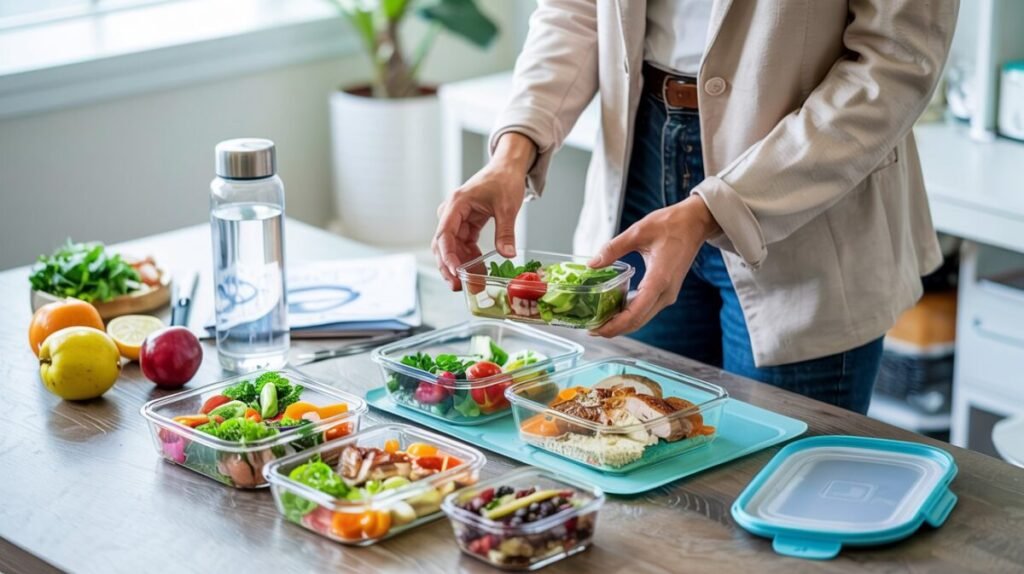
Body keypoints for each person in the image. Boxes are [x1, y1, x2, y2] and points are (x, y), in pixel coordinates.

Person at [432, 0, 959, 414]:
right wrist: (513, 151)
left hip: (802, 197)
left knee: (782, 496)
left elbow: (893, 64)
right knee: (635, 449)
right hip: (639, 169)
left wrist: (716, 208)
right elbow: (575, 11)